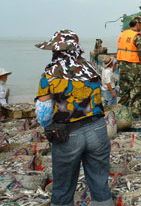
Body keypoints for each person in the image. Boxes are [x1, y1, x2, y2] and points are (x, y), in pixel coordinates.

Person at [34, 29, 113, 206]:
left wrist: (49, 126)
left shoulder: (50, 73)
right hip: (98, 129)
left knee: (63, 187)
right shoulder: (91, 67)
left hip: (67, 134)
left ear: (56, 51)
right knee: (100, 183)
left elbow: (44, 112)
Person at [116, 16, 141, 117]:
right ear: (137, 24)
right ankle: (135, 117)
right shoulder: (138, 37)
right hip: (134, 69)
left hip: (122, 68)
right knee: (137, 94)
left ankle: (122, 116)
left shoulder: (122, 35)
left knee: (124, 93)